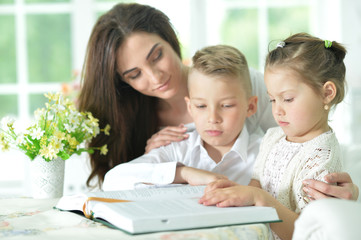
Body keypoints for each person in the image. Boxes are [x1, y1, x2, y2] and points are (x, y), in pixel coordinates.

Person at [77, 2, 358, 200]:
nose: (154, 76)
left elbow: (309, 145)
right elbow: (117, 181)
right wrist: (177, 170)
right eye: (135, 74)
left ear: (172, 41)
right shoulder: (137, 120)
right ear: (122, 82)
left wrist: (347, 189)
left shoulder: (240, 84)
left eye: (156, 56)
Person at [199, 33, 346, 240]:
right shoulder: (273, 136)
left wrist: (260, 198)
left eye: (287, 99)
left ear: (327, 93)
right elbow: (257, 183)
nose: (277, 110)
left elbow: (308, 231)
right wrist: (237, 192)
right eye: (272, 100)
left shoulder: (321, 157)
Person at [103, 45, 261, 190]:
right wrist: (184, 173)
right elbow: (112, 181)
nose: (213, 118)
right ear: (190, 107)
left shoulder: (267, 152)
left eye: (226, 106)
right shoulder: (176, 149)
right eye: (201, 106)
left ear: (251, 107)